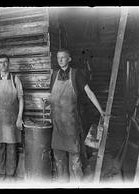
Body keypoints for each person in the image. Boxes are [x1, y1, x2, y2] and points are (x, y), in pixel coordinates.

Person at [45, 49, 105, 182]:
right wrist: (46, 102)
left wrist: (101, 110)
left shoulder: (76, 74)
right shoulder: (54, 75)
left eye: (63, 57)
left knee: (75, 159)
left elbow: (89, 92)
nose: (60, 60)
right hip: (57, 125)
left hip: (71, 124)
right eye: (58, 58)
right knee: (59, 158)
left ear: (69, 59)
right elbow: (52, 96)